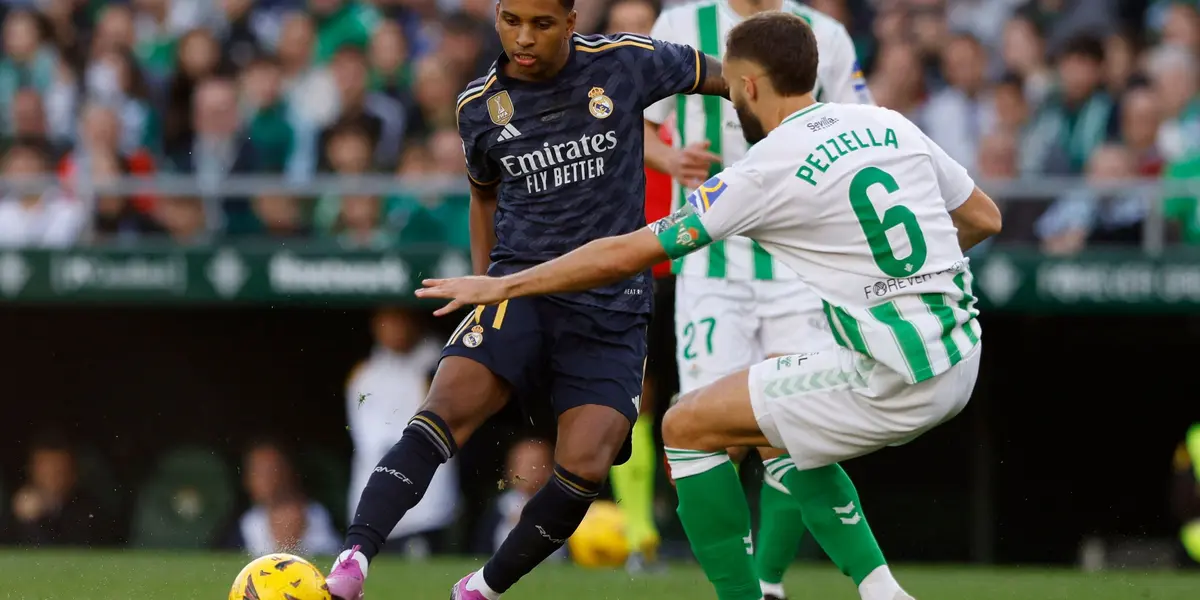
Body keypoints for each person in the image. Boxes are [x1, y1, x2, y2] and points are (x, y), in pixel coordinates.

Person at [416, 12, 1001, 600]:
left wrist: (505, 284)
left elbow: (626, 252)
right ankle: (877, 590)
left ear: (745, 85)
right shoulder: (887, 124)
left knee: (685, 424)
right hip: (960, 350)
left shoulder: (763, 170)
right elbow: (983, 217)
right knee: (775, 426)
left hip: (895, 374)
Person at [324, 0, 730, 598]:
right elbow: (482, 197)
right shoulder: (478, 106)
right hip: (523, 288)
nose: (524, 37)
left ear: (570, 21)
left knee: (586, 465)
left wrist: (782, 122)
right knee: (444, 407)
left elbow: (728, 75)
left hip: (612, 306)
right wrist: (483, 285)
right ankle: (355, 555)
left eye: (541, 23)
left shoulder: (626, 62)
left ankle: (480, 589)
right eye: (511, 20)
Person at [642, 0, 875, 592]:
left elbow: (860, 129)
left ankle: (766, 584)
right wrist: (670, 158)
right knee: (705, 433)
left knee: (799, 428)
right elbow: (632, 120)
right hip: (711, 265)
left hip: (800, 267)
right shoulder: (678, 26)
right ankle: (747, 585)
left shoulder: (826, 35)